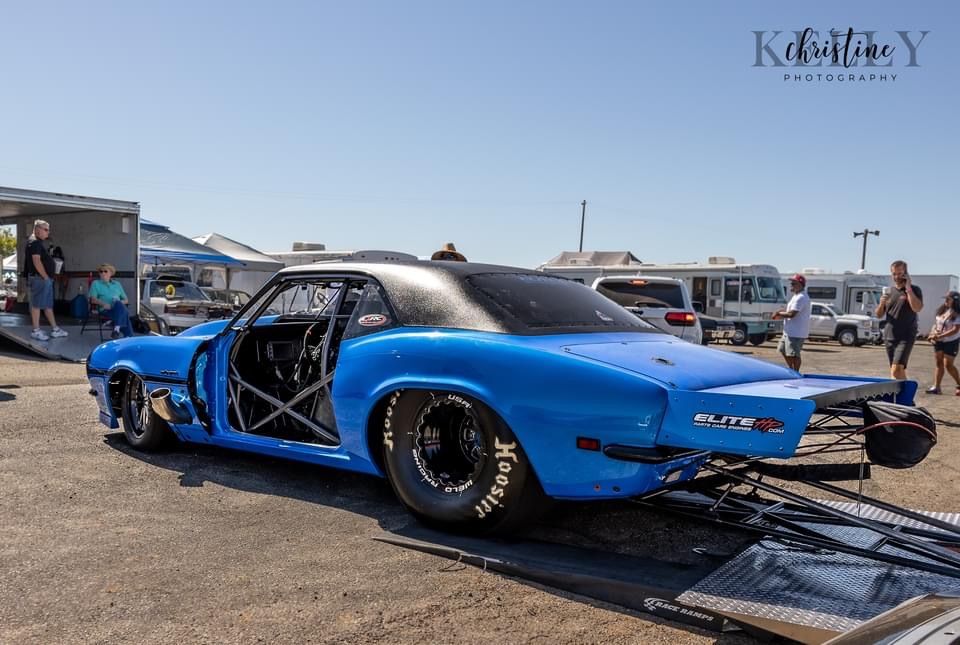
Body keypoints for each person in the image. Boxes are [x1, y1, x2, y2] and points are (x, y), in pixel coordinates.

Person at [875, 260, 923, 380]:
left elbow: (917, 308)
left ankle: (906, 392)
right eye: (894, 274)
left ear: (906, 273)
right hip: (889, 336)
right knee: (896, 371)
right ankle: (904, 392)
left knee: (896, 369)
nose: (897, 277)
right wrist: (881, 303)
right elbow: (879, 315)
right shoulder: (889, 291)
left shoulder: (914, 290)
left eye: (900, 273)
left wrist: (908, 289)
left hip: (906, 335)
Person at [25, 219, 68, 341]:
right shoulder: (34, 243)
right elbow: (36, 261)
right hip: (39, 279)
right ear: (37, 229)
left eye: (48, 230)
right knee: (37, 305)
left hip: (44, 279)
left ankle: (55, 329)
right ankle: (36, 331)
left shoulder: (37, 243)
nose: (48, 232)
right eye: (46, 230)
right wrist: (45, 277)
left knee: (48, 305)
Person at [772, 273, 811, 371]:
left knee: (794, 354)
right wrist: (781, 312)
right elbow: (789, 311)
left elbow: (791, 314)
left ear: (800, 285)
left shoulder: (801, 297)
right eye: (791, 283)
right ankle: (791, 369)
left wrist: (779, 314)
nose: (791, 285)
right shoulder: (796, 296)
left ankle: (795, 372)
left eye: (793, 283)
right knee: (782, 349)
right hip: (789, 332)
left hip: (796, 333)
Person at [925, 291, 960, 395]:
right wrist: (932, 333)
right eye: (945, 298)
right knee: (938, 362)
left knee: (948, 364)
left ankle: (959, 384)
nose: (946, 300)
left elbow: (955, 330)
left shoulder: (957, 314)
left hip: (951, 341)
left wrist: (939, 336)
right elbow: (936, 324)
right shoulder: (942, 310)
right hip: (938, 341)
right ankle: (936, 387)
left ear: (955, 301)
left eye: (948, 299)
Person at [88, 263, 134, 339]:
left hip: (117, 308)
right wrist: (103, 304)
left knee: (119, 304)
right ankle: (128, 336)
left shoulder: (117, 284)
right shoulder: (96, 283)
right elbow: (93, 300)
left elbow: (126, 300)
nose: (103, 273)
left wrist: (117, 304)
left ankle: (116, 328)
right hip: (106, 309)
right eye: (101, 271)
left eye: (105, 271)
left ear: (111, 273)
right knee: (125, 312)